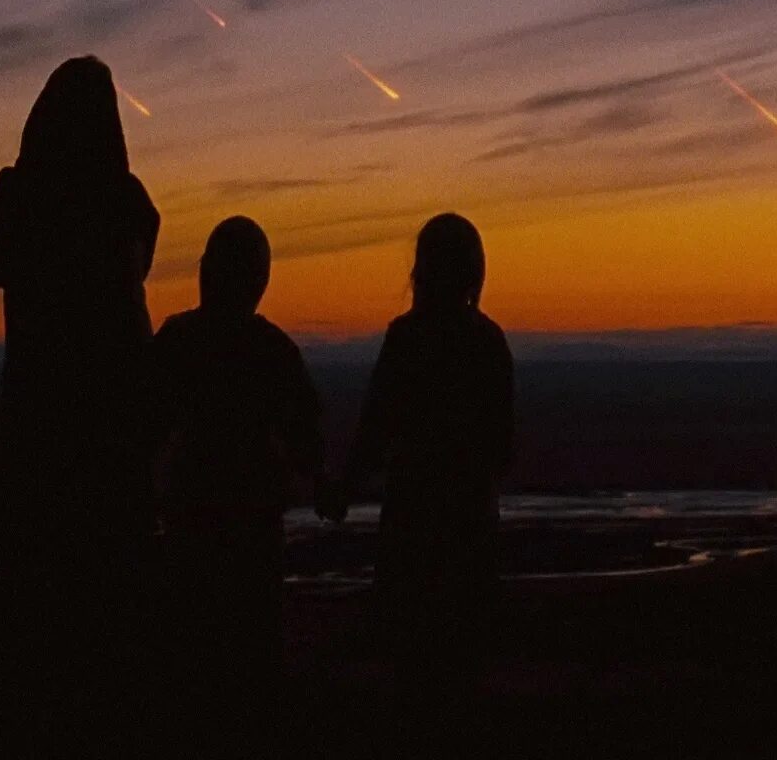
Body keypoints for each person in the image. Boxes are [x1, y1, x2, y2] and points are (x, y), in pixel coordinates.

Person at [0, 56, 159, 748]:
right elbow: (132, 274)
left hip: (39, 408)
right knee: (105, 581)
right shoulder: (124, 197)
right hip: (108, 412)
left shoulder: (19, 193)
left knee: (38, 574)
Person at [317, 213, 515, 725]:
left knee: (411, 679)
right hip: (470, 529)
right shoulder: (489, 343)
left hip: (411, 529)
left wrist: (340, 490)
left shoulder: (406, 339)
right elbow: (503, 446)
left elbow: (374, 430)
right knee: (460, 678)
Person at [152, 217, 321, 739]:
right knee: (253, 662)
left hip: (191, 519)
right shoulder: (274, 351)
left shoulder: (179, 340)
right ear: (260, 280)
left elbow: (142, 424)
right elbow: (306, 440)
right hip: (253, 527)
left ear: (207, 273)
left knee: (193, 662)